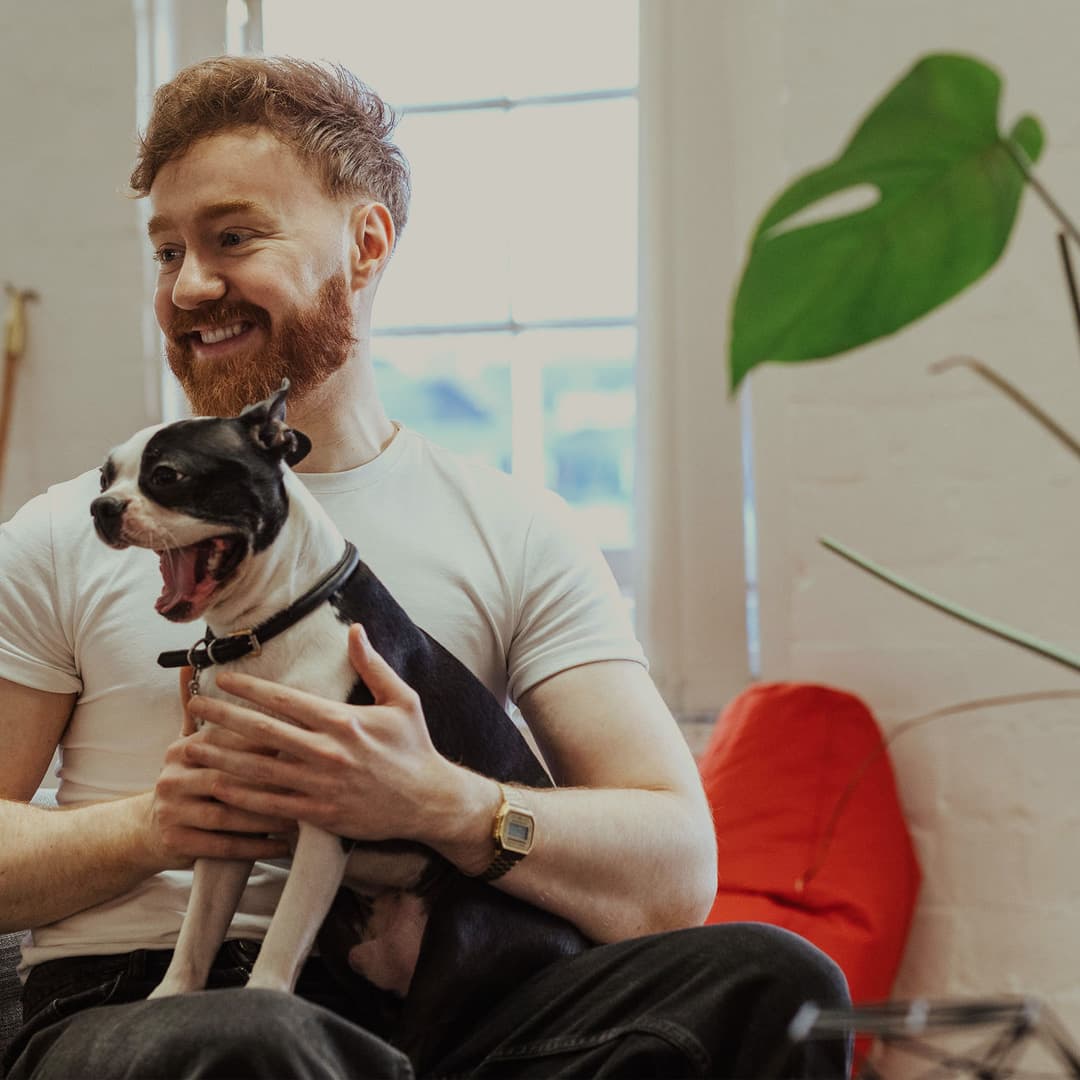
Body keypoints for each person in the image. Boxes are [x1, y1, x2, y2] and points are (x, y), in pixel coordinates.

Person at [0, 56, 850, 1079]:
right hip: (145, 1003)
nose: (188, 286)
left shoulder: (517, 527)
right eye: (167, 250)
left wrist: (442, 805)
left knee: (774, 979)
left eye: (233, 238)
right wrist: (154, 827)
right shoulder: (64, 533)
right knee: (255, 1039)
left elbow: (674, 870)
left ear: (366, 245)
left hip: (435, 997)